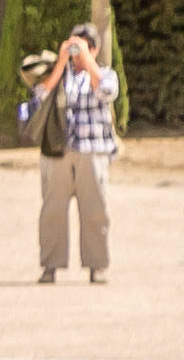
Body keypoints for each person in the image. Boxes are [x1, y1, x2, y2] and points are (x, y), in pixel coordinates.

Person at [24, 27, 119, 283]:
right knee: (52, 210)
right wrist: (62, 61)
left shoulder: (105, 73)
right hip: (58, 151)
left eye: (87, 46)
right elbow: (39, 96)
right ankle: (50, 266)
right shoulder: (58, 73)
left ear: (95, 49)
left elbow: (108, 92)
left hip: (93, 152)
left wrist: (89, 63)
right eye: (77, 45)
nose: (79, 51)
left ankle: (96, 266)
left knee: (95, 209)